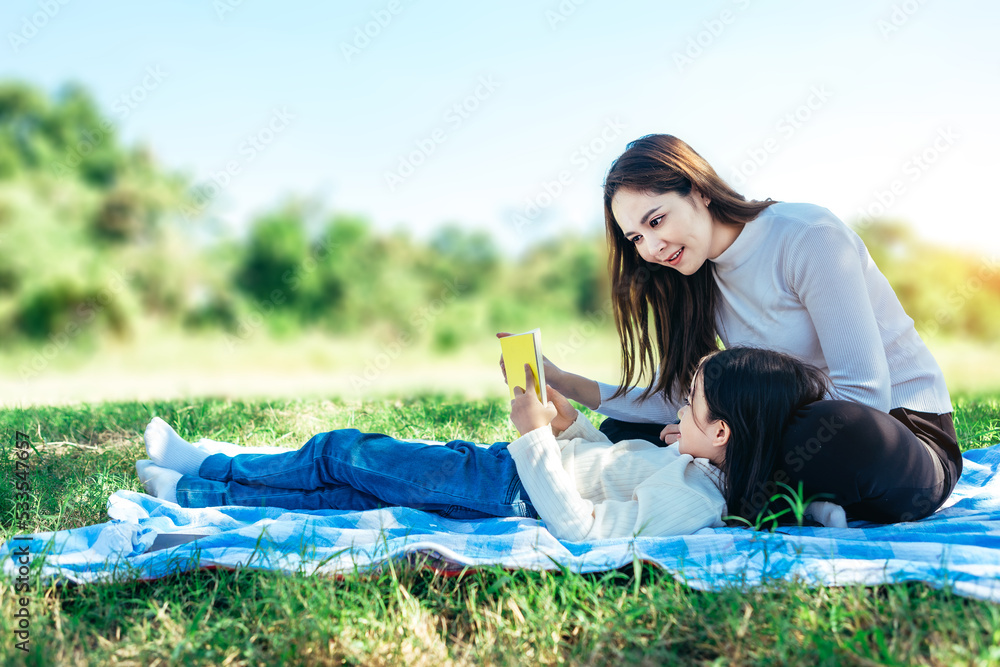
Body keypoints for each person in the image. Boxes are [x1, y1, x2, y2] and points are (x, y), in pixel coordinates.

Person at [531, 133, 961, 523]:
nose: (652, 248)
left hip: (898, 436)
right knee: (625, 431)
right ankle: (792, 503)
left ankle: (736, 489)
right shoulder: (697, 278)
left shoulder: (808, 237)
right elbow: (684, 399)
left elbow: (867, 394)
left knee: (832, 428)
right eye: (635, 238)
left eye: (656, 221)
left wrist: (725, 434)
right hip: (777, 440)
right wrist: (564, 381)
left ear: (698, 190)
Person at [136, 348, 847, 541]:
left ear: (723, 432)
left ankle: (206, 467)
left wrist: (535, 439)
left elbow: (583, 528)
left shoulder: (689, 499)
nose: (678, 411)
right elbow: (599, 471)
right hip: (501, 472)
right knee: (347, 494)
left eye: (690, 405)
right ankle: (196, 490)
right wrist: (572, 425)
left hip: (501, 491)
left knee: (341, 453)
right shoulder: (694, 466)